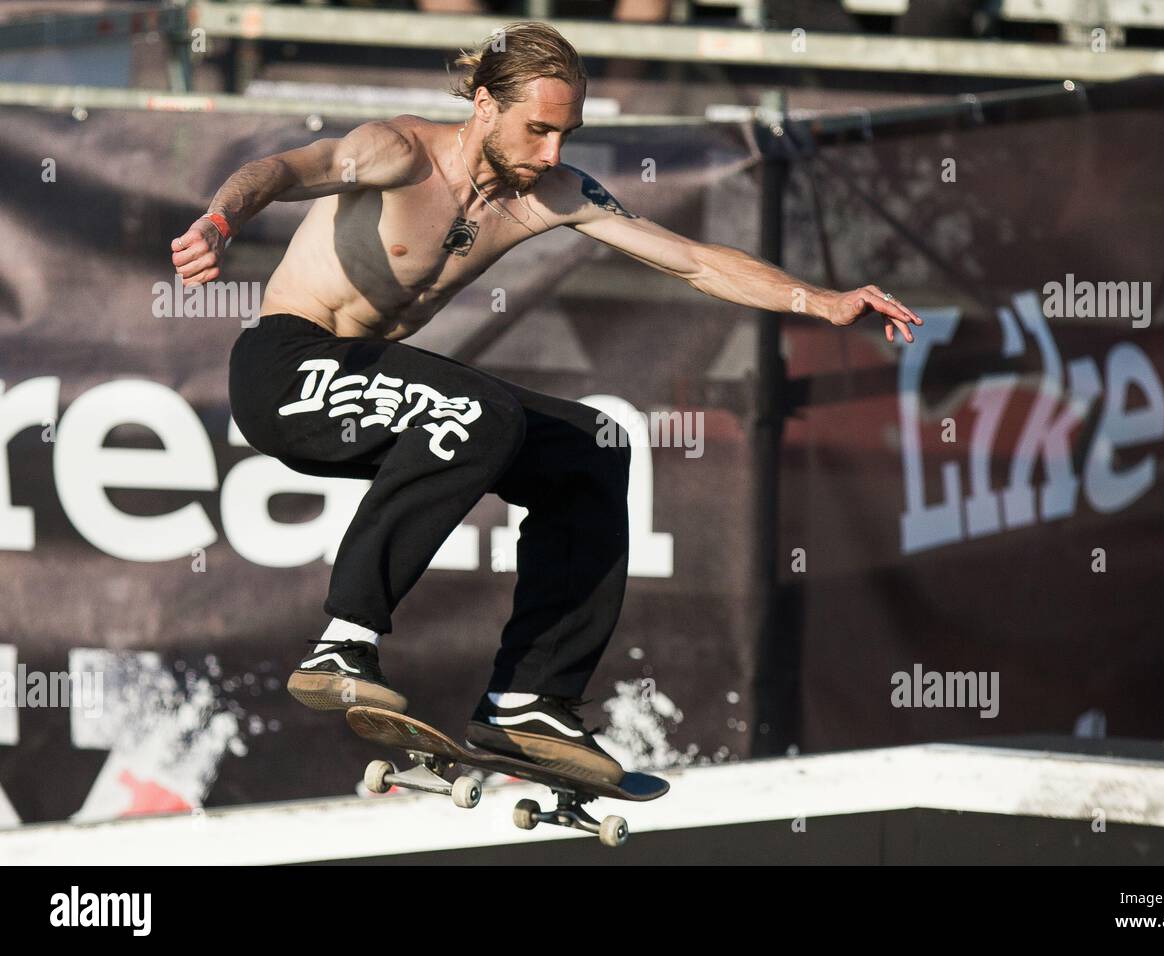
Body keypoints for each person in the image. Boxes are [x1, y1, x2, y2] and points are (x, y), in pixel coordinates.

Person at [169, 21, 921, 786]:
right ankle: (343, 642)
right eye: (538, 129)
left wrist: (818, 299)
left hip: (376, 381)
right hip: (287, 371)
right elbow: (286, 168)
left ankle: (529, 698)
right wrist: (221, 221)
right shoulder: (399, 151)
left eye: (567, 132)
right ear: (486, 106)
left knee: (593, 445)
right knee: (477, 412)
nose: (553, 153)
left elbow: (692, 261)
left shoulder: (552, 195)